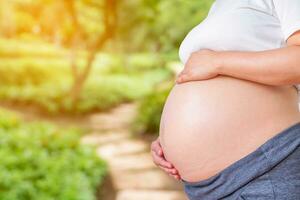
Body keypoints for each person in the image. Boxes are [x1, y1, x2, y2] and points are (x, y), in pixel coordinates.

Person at [151, 0, 300, 199]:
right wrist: (169, 141)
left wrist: (218, 62)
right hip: (203, 189)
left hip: (264, 169)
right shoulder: (220, 6)